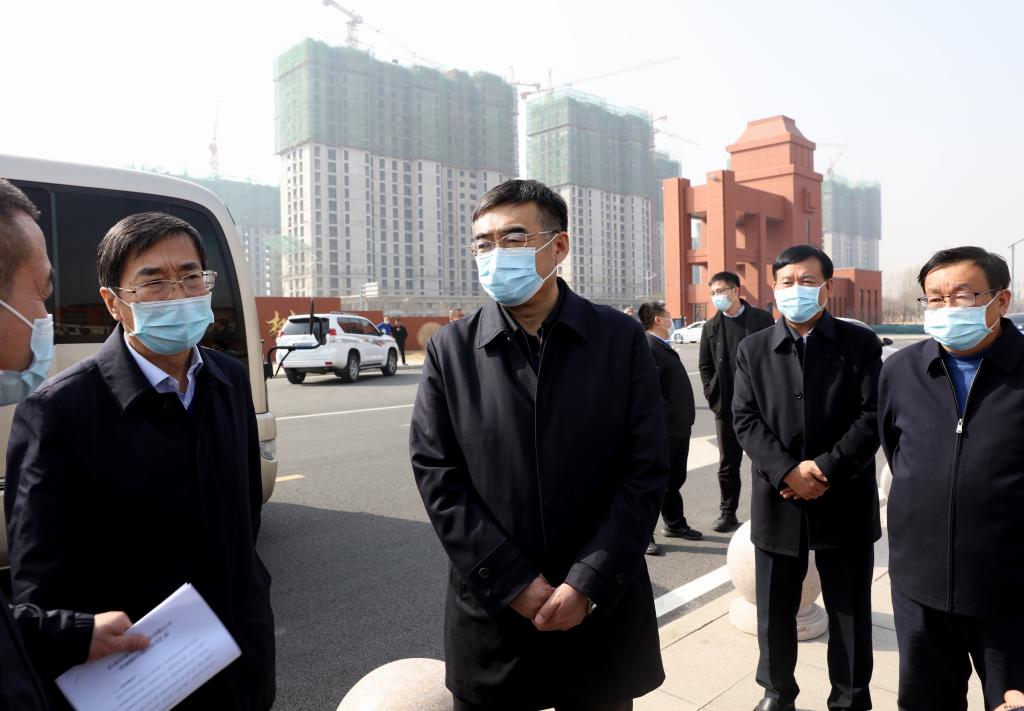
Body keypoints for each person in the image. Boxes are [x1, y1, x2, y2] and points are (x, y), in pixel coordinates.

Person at [410, 179, 668, 711]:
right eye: (483, 243)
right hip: (495, 613)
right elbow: (438, 475)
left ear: (559, 246)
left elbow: (645, 469)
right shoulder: (450, 350)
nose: (494, 255)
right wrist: (512, 582)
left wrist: (587, 582)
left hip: (598, 613)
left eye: (513, 238)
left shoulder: (619, 341)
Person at [5, 211, 276, 710]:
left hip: (239, 659)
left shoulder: (229, 379)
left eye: (190, 277)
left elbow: (246, 517)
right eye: (153, 282)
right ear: (114, 302)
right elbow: (42, 587)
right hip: (139, 678)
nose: (178, 295)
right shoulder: (59, 412)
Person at [0, 179, 150, 708]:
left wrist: (71, 632)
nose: (45, 318)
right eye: (41, 294)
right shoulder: (58, 408)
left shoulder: (224, 383)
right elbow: (39, 574)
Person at [732, 245, 881, 711]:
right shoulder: (753, 348)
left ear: (828, 287)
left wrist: (826, 469)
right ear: (773, 288)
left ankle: (851, 698)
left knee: (849, 611)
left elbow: (872, 416)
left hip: (845, 495)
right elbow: (745, 419)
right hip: (778, 499)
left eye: (807, 280)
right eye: (787, 282)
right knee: (774, 609)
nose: (796, 289)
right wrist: (786, 471)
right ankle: (777, 693)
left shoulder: (860, 345)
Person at [879, 246, 1024, 711]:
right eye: (934, 299)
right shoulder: (901, 370)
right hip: (918, 588)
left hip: (1009, 596)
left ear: (1001, 300)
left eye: (961, 296)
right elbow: (896, 450)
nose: (946, 309)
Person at [698, 271, 774, 533]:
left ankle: (769, 514)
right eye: (713, 293)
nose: (716, 297)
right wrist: (712, 394)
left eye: (720, 291)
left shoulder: (762, 320)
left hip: (760, 405)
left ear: (736, 291)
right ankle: (727, 513)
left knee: (766, 458)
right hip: (727, 406)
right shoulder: (710, 327)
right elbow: (705, 365)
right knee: (728, 464)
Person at [638, 301, 700, 556]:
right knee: (656, 482)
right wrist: (665, 419)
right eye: (668, 316)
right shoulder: (648, 346)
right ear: (657, 319)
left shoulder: (661, 345)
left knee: (673, 480)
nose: (672, 320)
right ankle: (644, 535)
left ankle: (674, 523)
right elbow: (651, 390)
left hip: (678, 426)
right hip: (666, 428)